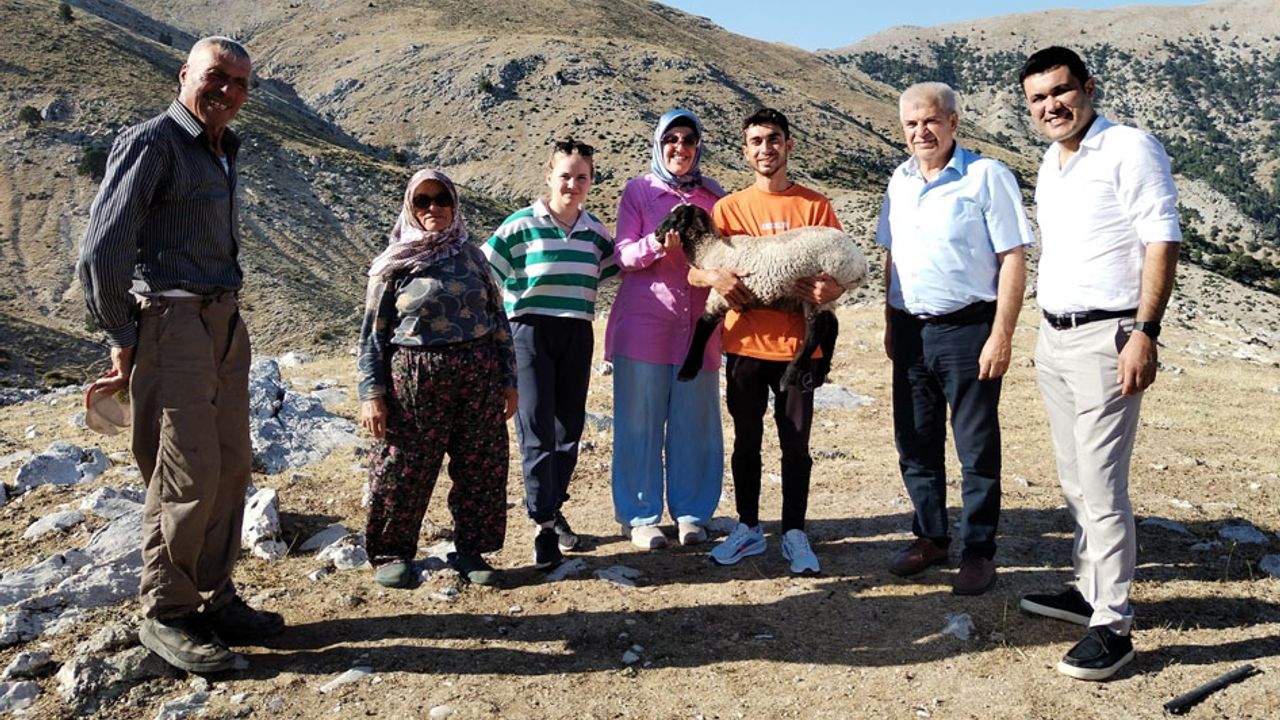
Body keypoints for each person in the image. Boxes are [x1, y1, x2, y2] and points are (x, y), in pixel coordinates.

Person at [76, 37, 283, 673]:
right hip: (172, 321)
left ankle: (215, 597)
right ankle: (167, 613)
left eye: (241, 84)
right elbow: (101, 253)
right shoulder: (151, 142)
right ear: (184, 75)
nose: (229, 92)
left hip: (222, 321)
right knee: (184, 473)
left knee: (229, 464)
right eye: (217, 77)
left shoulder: (224, 148)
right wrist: (121, 333)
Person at [1018, 46, 1181, 681]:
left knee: (1104, 483)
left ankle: (1113, 624)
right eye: (1038, 98)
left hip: (1109, 335)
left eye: (1060, 91)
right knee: (1074, 476)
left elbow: (1161, 237)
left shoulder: (1129, 148)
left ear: (1088, 86)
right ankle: (1088, 589)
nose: (1051, 106)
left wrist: (1144, 331)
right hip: (1055, 337)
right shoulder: (1051, 162)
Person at [877, 82, 1034, 596]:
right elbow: (891, 255)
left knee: (976, 447)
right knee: (916, 442)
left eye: (931, 121)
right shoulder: (898, 182)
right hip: (910, 330)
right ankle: (929, 537)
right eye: (911, 124)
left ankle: (979, 551)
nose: (921, 132)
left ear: (953, 123)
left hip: (969, 328)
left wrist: (1002, 334)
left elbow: (1013, 257)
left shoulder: (987, 177)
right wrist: (888, 320)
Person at [700, 108, 846, 575]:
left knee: (796, 444)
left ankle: (796, 532)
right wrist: (717, 279)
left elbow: (837, 266)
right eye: (757, 141)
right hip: (744, 344)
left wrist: (834, 290)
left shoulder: (815, 207)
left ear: (789, 145)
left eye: (774, 139)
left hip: (798, 349)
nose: (766, 149)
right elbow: (708, 268)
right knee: (746, 440)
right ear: (746, 151)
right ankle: (747, 528)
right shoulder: (728, 209)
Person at [357, 169, 517, 590]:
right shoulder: (392, 265)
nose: (434, 209)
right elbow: (372, 334)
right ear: (410, 207)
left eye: (442, 199)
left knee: (481, 464)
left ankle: (471, 550)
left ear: (454, 204)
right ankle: (391, 552)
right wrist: (371, 394)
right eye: (423, 201)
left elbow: (497, 319)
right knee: (402, 466)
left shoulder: (473, 257)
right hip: (413, 376)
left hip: (479, 374)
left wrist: (509, 380)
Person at [484, 139, 618, 570]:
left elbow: (626, 271)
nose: (572, 185)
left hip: (577, 332)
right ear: (549, 176)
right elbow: (485, 276)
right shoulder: (519, 226)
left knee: (569, 430)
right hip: (528, 332)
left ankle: (553, 506)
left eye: (582, 177)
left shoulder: (597, 233)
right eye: (565, 175)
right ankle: (543, 527)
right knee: (536, 429)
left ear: (591, 181)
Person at [605, 109, 727, 550]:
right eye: (671, 139)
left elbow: (725, 253)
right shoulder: (639, 191)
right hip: (644, 325)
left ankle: (693, 513)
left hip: (700, 327)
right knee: (639, 422)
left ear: (699, 146)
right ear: (659, 144)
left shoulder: (714, 196)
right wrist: (658, 243)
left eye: (688, 139)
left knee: (696, 423)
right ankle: (640, 516)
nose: (680, 147)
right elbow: (623, 254)